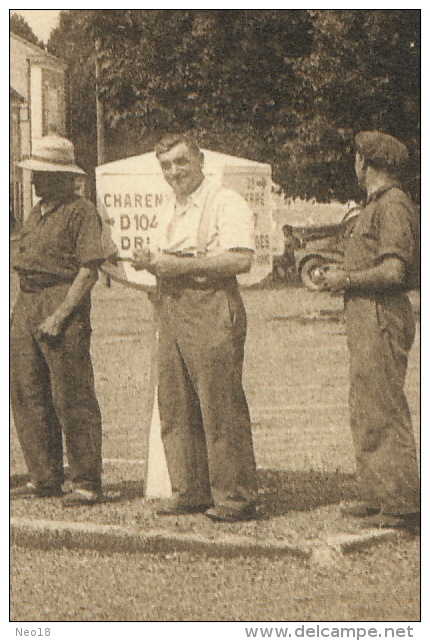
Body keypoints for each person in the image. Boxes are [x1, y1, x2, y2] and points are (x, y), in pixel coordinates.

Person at [132, 133, 258, 522]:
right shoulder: (173, 206)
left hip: (211, 304)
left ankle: (235, 497)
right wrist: (149, 260)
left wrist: (181, 267)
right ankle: (190, 490)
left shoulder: (225, 201)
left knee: (219, 404)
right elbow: (168, 255)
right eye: (166, 166)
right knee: (175, 403)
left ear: (200, 160)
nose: (174, 172)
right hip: (172, 306)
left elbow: (240, 259)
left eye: (181, 162)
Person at [320, 131, 420, 529]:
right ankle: (379, 492)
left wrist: (347, 279)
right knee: (365, 404)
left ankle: (402, 502)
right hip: (367, 313)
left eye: (356, 158)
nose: (354, 165)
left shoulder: (392, 205)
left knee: (383, 405)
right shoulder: (378, 204)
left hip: (380, 313)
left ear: (366, 162)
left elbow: (394, 270)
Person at [10, 134, 106, 506]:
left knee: (72, 394)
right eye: (35, 172)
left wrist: (61, 314)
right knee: (28, 392)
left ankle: (86, 481)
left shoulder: (80, 211)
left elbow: (89, 269)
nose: (35, 180)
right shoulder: (39, 211)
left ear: (66, 177)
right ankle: (44, 476)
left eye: (45, 174)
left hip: (61, 300)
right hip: (28, 299)